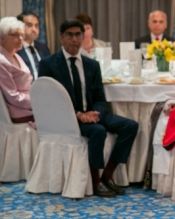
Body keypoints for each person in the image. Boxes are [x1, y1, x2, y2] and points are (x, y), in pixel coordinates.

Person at [39, 19, 139, 198]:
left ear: (83, 37)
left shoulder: (92, 64)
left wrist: (96, 113)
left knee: (130, 126)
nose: (74, 39)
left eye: (78, 35)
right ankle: (96, 181)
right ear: (61, 37)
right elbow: (50, 100)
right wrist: (78, 115)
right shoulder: (48, 64)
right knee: (97, 131)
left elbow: (100, 97)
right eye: (69, 35)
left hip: (93, 113)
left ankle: (108, 175)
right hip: (67, 118)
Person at [0, 17, 36, 127]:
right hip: (19, 110)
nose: (21, 39)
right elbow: (12, 96)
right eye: (15, 35)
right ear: (2, 37)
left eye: (22, 35)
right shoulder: (2, 61)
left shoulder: (16, 56)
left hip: (29, 104)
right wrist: (37, 101)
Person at [15, 12, 50, 79]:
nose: (34, 29)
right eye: (29, 25)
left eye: (36, 25)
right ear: (19, 27)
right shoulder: (14, 48)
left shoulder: (43, 47)